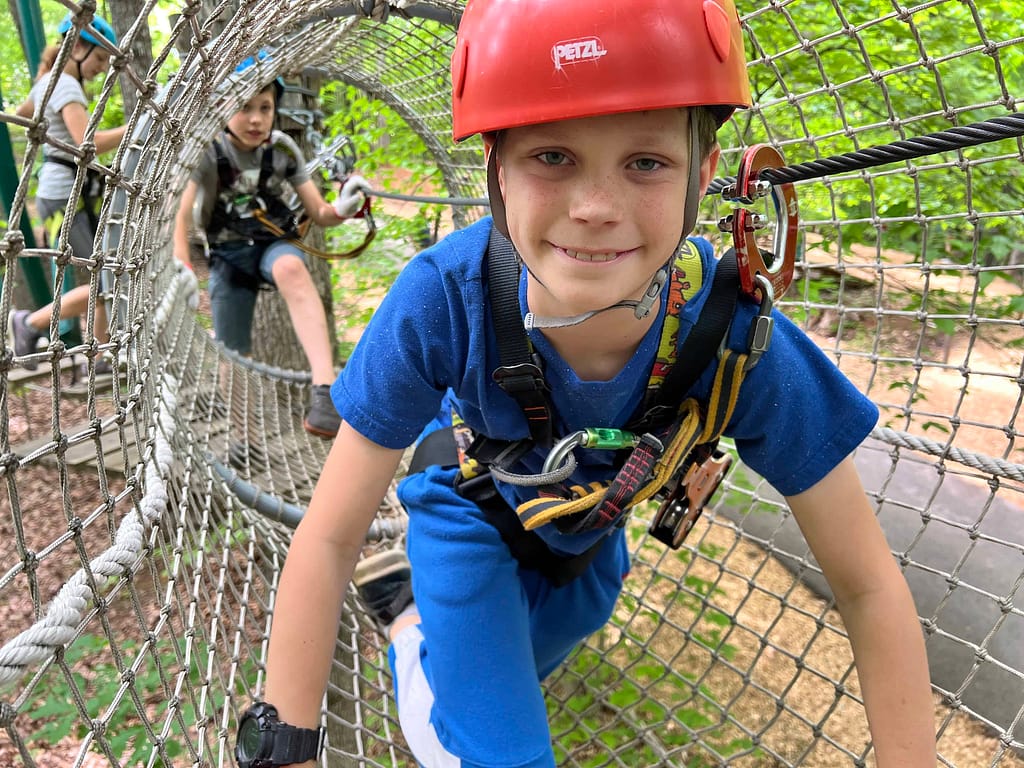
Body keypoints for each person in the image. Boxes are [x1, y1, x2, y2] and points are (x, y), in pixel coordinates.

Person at [247, 1, 937, 766]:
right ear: (497, 170)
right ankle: (419, 641)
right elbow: (330, 533)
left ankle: (408, 626)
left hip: (590, 543)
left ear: (704, 177)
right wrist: (284, 749)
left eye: (646, 162)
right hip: (467, 508)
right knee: (484, 751)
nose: (596, 209)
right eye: (552, 157)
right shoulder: (446, 298)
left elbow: (869, 586)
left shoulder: (736, 338)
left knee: (493, 693)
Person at [172, 62, 370, 438]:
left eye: (265, 108)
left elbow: (319, 212)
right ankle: (243, 436)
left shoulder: (282, 149)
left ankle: (324, 391)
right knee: (233, 354)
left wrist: (343, 209)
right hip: (228, 257)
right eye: (245, 107)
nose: (256, 119)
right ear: (224, 106)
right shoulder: (207, 152)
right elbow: (181, 214)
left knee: (292, 269)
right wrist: (182, 264)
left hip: (269, 246)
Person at [9, 12, 127, 375]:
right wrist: (137, 127)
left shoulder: (45, 82)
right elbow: (88, 143)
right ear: (77, 47)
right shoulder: (66, 85)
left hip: (57, 193)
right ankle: (29, 323)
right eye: (99, 59)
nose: (100, 68)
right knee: (100, 274)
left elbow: (23, 113)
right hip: (65, 195)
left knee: (98, 273)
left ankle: (101, 356)